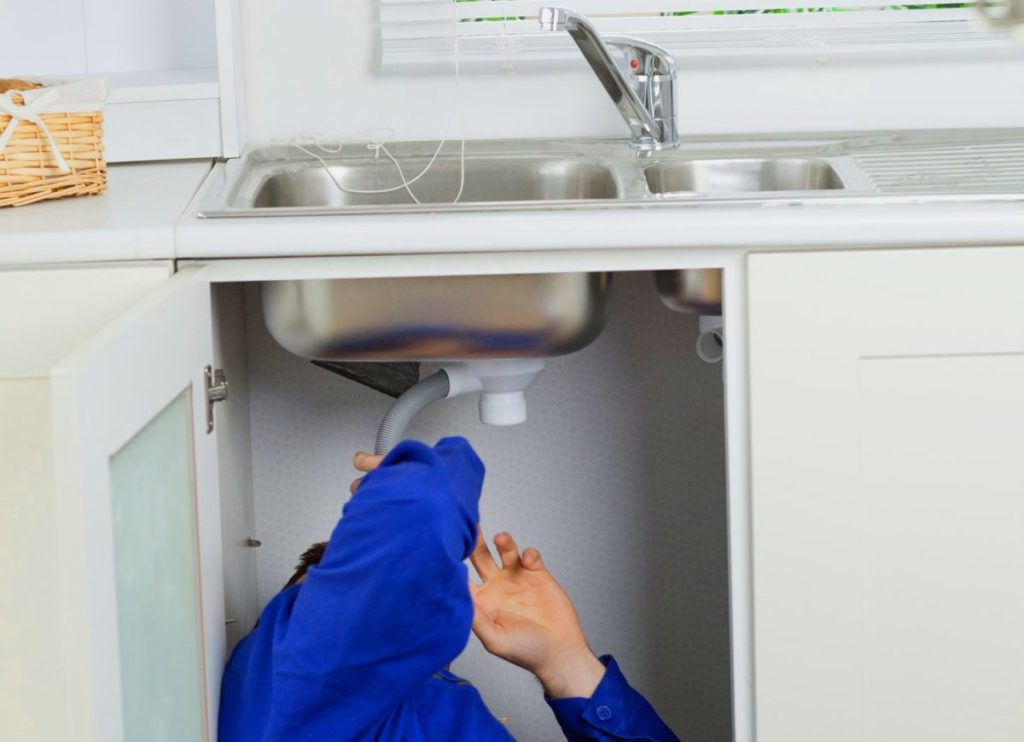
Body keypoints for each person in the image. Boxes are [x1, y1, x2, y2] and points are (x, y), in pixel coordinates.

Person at [219, 437, 678, 741]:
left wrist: (566, 665)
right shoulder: (287, 674)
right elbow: (421, 506)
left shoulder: (410, 698)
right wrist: (415, 479)